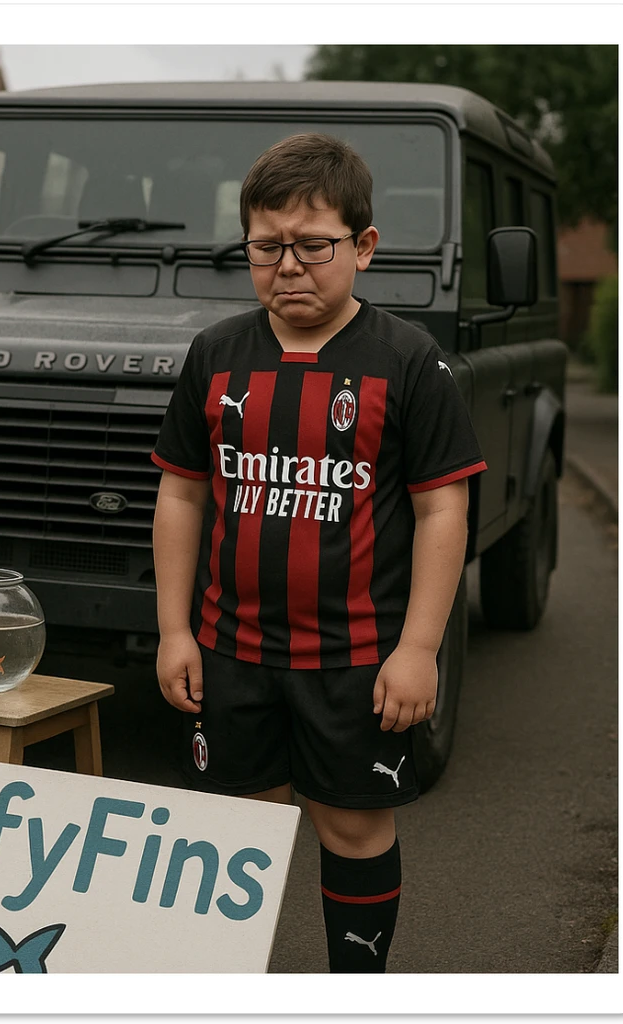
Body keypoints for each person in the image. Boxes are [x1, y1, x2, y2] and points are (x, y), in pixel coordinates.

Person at [150, 133, 487, 973]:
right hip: (231, 652)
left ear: (364, 248)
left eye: (314, 246)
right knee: (242, 829)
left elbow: (444, 509)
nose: (289, 266)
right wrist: (173, 630)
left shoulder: (407, 363)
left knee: (353, 826)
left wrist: (419, 651)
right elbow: (183, 493)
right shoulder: (216, 355)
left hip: (357, 658)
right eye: (268, 247)